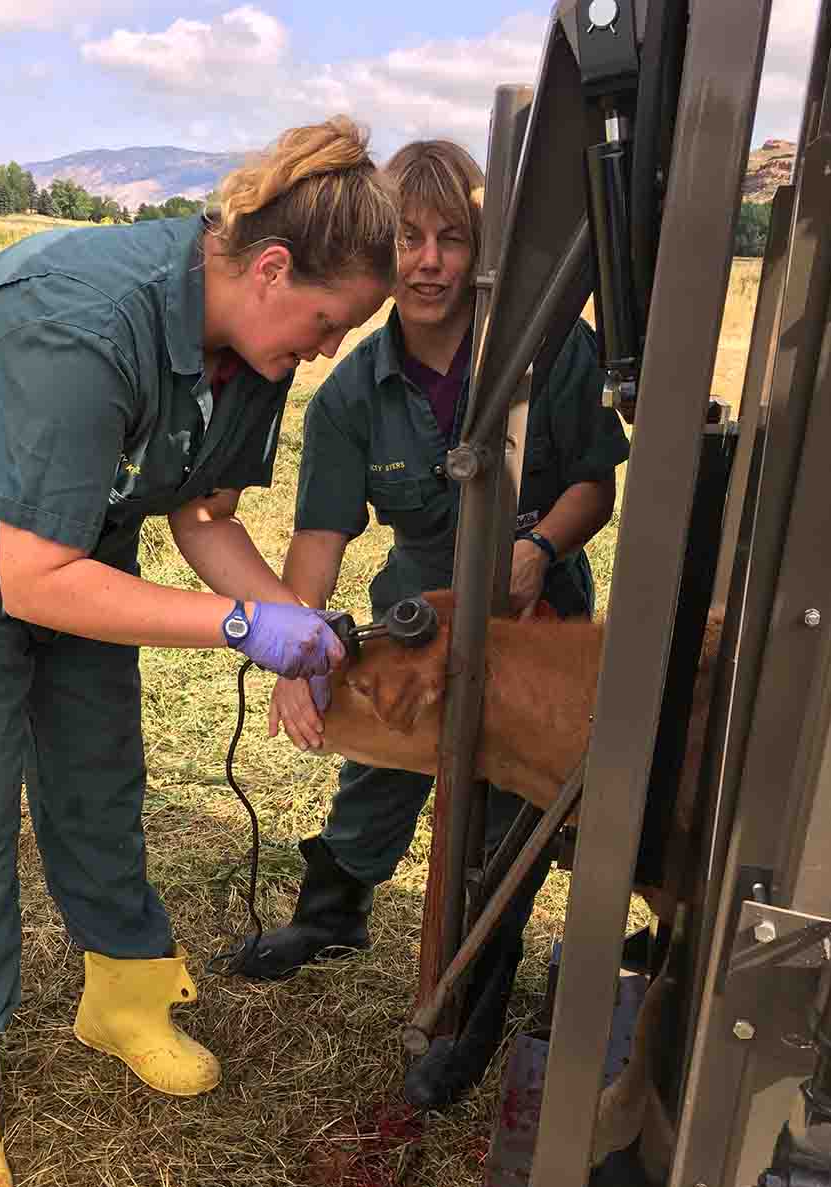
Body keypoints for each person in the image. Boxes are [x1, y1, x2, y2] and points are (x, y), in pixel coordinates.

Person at [0, 117, 397, 1187]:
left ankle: (124, 994)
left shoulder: (252, 339)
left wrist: (298, 628)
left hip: (73, 511)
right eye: (329, 323)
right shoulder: (87, 323)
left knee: (98, 763)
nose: (329, 350)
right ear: (275, 267)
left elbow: (199, 510)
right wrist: (240, 627)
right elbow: (36, 581)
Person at [235, 139, 629, 1110]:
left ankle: (474, 1011)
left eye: (453, 239)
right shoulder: (352, 393)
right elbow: (321, 536)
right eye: (409, 239)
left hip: (537, 613)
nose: (429, 262)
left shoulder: (550, 348)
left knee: (514, 818)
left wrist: (538, 547)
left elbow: (594, 481)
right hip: (418, 604)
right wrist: (293, 650)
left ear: (480, 249)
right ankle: (331, 915)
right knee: (377, 770)